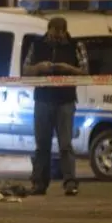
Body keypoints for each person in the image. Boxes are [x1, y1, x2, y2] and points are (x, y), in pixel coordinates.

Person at [22, 16, 89, 196]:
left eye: (60, 36)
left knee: (65, 145)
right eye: (54, 35)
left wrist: (68, 69)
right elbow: (25, 70)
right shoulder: (37, 45)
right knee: (41, 144)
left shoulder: (76, 46)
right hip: (43, 100)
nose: (57, 39)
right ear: (49, 29)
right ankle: (39, 183)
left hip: (65, 101)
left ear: (65, 32)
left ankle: (69, 183)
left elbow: (85, 72)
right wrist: (39, 68)